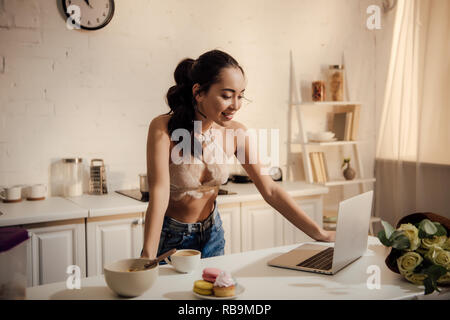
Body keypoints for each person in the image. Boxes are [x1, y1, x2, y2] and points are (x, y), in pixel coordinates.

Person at [141, 49, 335, 260]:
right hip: (172, 238)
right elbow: (159, 194)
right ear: (198, 92)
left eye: (240, 95)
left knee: (215, 292)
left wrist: (320, 233)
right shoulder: (163, 128)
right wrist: (147, 255)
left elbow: (270, 190)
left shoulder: (236, 133)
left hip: (213, 235)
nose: (235, 105)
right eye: (226, 95)